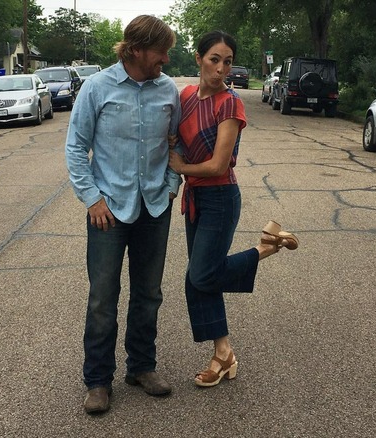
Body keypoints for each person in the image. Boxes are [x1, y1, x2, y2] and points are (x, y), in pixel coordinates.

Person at [167, 30, 298, 388]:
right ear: (198, 58)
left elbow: (218, 165)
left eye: (227, 61)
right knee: (199, 280)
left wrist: (180, 168)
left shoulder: (230, 103)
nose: (221, 69)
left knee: (201, 276)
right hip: (196, 199)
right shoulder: (186, 96)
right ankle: (223, 355)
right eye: (214, 60)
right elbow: (176, 137)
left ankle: (265, 247)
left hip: (220, 197)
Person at [65, 15, 181, 415]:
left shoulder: (168, 91)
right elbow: (75, 147)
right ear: (135, 49)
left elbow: (175, 145)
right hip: (108, 212)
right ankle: (98, 380)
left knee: (149, 294)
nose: (166, 58)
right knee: (102, 298)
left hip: (154, 207)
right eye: (161, 50)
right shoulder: (97, 87)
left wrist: (170, 187)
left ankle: (142, 367)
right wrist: (92, 199)